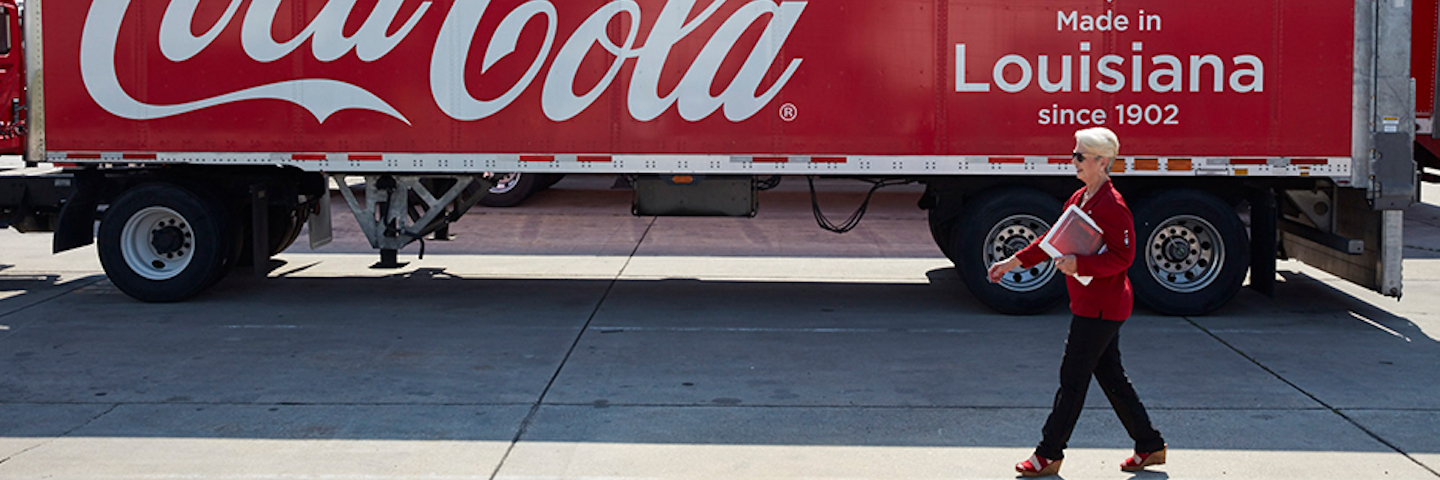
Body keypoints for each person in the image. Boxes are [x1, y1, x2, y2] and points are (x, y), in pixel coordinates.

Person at [987, 127, 1167, 477]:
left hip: (1103, 307)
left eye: (1080, 156)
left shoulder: (1113, 206)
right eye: (1074, 154)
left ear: (1102, 163)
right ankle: (1150, 444)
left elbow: (1125, 256)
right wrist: (1012, 263)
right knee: (1111, 376)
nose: (1073, 160)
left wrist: (1080, 264)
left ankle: (1048, 453)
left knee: (1072, 380)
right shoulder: (1081, 197)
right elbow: (1051, 240)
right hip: (1091, 303)